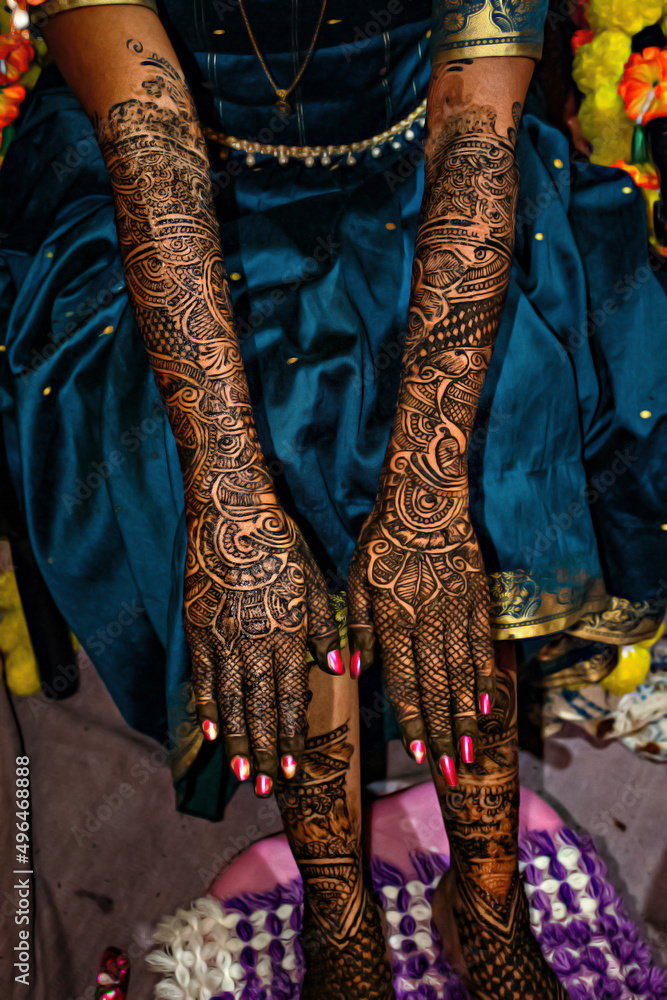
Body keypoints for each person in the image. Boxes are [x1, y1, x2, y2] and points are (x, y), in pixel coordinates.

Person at [1, 1, 666, 997]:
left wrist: (428, 506)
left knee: (484, 416)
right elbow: (150, 143)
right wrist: (235, 503)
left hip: (430, 155)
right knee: (283, 428)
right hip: (175, 183)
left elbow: (474, 123)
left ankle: (488, 895)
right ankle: (335, 904)